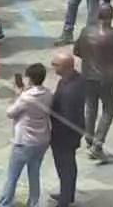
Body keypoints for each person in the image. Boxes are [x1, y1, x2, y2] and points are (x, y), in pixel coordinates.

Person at [73, 4, 113, 162]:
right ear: (111, 17)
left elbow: (77, 51)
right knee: (108, 110)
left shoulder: (86, 31)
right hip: (107, 79)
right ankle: (98, 144)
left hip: (88, 76)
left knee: (90, 107)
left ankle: (89, 138)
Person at [0, 63, 52, 207]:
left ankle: (5, 203)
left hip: (24, 141)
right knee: (34, 173)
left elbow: (10, 113)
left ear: (30, 78)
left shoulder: (25, 97)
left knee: (12, 176)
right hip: (42, 139)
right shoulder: (48, 94)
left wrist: (17, 95)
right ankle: (33, 202)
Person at [49, 53, 87, 207]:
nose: (52, 66)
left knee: (65, 165)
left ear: (64, 67)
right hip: (71, 130)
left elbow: (66, 116)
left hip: (64, 134)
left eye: (55, 64)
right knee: (68, 164)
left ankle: (65, 199)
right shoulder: (75, 80)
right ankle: (67, 193)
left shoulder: (69, 90)